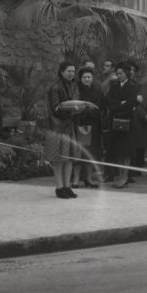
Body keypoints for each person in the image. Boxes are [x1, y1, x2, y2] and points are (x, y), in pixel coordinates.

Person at [45, 62, 82, 199]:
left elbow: (77, 102)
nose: (71, 73)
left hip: (70, 126)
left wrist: (79, 110)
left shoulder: (74, 86)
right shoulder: (55, 87)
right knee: (59, 158)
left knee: (69, 158)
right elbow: (55, 108)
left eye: (73, 71)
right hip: (58, 126)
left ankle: (67, 186)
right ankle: (59, 187)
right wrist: (70, 114)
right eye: (69, 71)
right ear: (61, 72)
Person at [106, 62, 139, 188]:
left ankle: (125, 177)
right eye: (117, 73)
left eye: (121, 73)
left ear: (127, 73)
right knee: (118, 151)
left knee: (126, 151)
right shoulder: (113, 86)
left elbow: (131, 104)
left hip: (128, 122)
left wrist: (118, 106)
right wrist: (120, 103)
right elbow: (108, 100)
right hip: (114, 122)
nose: (118, 76)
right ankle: (120, 176)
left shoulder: (133, 86)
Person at [75, 67, 103, 188]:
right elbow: (75, 108)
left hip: (94, 125)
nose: (87, 79)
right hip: (80, 124)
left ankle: (88, 178)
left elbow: (99, 108)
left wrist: (88, 110)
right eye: (84, 77)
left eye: (89, 77)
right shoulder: (76, 91)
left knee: (91, 153)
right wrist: (86, 111)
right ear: (80, 78)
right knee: (79, 153)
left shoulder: (97, 91)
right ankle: (76, 180)